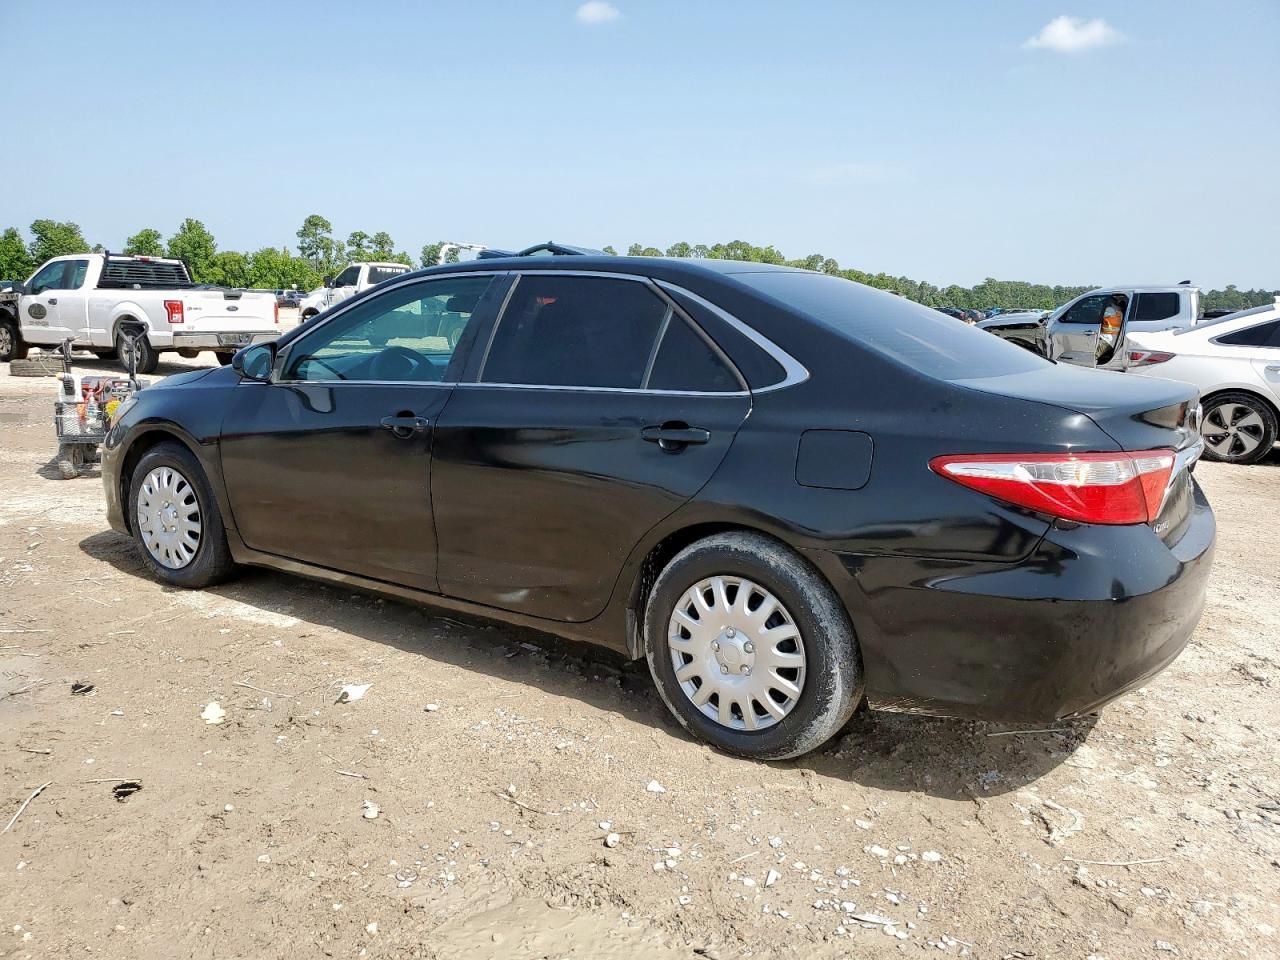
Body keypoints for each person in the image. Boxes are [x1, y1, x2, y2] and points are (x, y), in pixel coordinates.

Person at [1097, 296, 1125, 361]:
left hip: (1107, 339)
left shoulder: (1110, 310)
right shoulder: (1120, 312)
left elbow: (1097, 316)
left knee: (1093, 357)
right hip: (1113, 338)